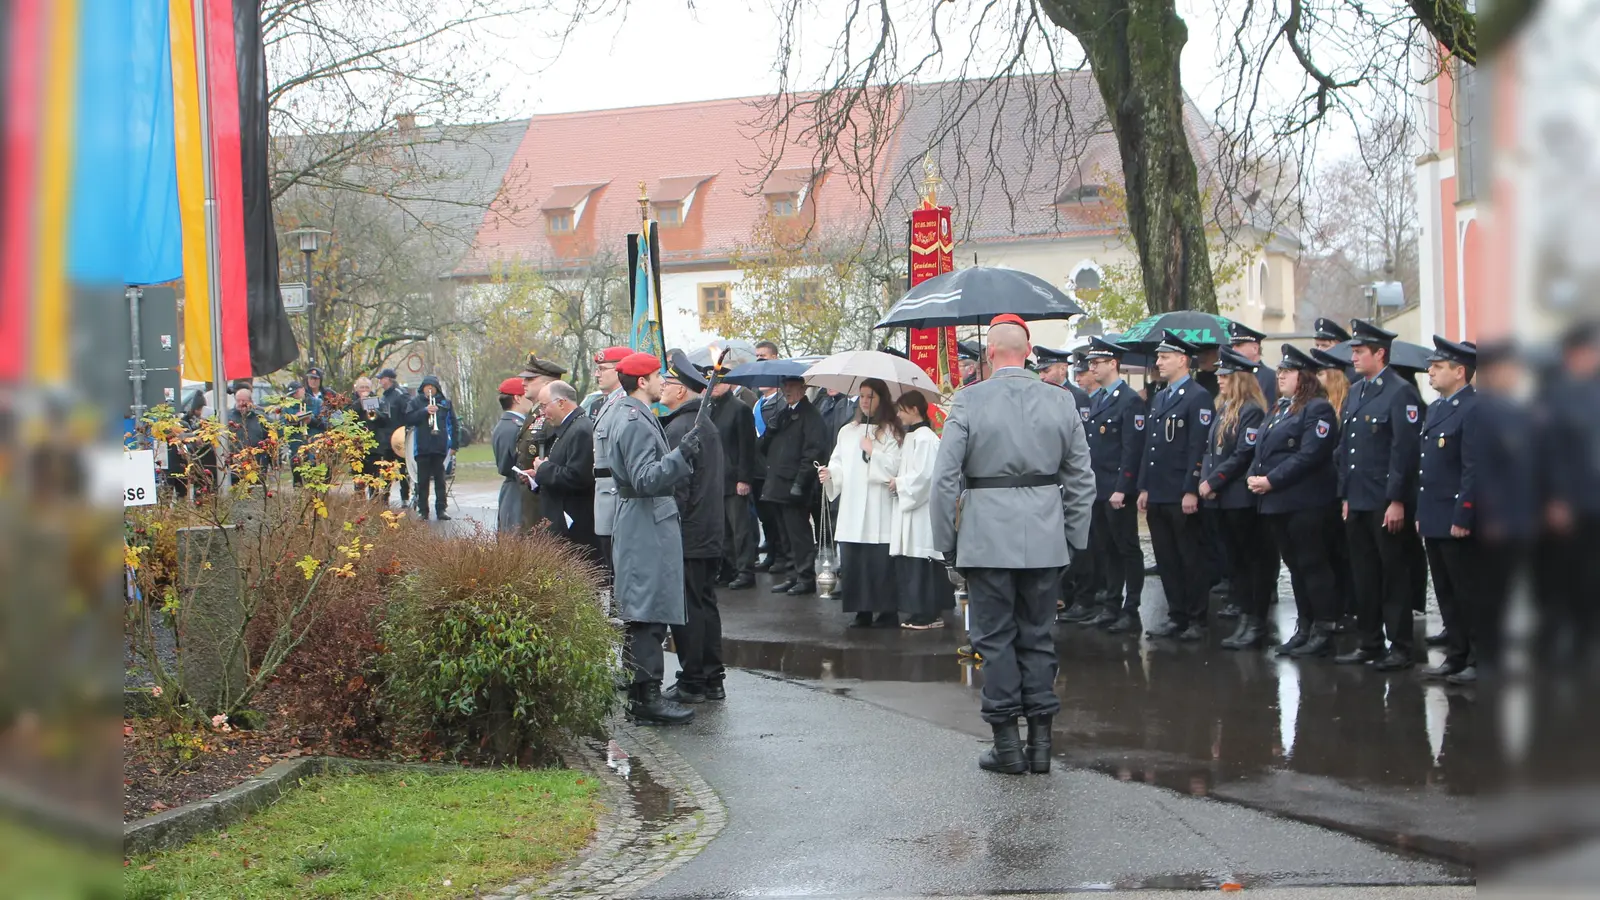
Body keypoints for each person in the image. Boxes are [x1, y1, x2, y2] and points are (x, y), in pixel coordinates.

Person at [930, 317, 1095, 775]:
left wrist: (947, 543)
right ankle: (1040, 745)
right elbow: (1081, 478)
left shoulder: (968, 400)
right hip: (1044, 535)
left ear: (990, 355)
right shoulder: (1061, 401)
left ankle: (1007, 746)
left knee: (995, 639)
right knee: (1038, 637)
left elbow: (944, 480)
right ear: (1027, 352)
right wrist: (1073, 539)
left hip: (985, 537)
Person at [607, 351, 710, 726]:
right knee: (647, 611)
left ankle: (642, 693)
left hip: (645, 520)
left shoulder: (631, 413)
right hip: (645, 521)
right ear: (641, 382)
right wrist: (681, 456)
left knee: (645, 608)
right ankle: (647, 697)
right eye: (656, 376)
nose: (662, 382)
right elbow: (645, 479)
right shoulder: (633, 420)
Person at [1335, 319, 1423, 672]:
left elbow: (1404, 451)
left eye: (1359, 351)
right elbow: (1347, 448)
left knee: (1393, 575)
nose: (1353, 357)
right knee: (1364, 575)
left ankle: (1400, 646)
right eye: (1353, 351)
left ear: (1380, 354)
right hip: (1357, 500)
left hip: (1385, 502)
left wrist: (1397, 499)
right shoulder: (1356, 390)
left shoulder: (1400, 392)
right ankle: (1369, 641)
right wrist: (1344, 495)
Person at [1249, 345, 1341, 657]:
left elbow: (1310, 454)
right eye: (1280, 372)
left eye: (1288, 372)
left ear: (1305, 377)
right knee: (1296, 566)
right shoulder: (1279, 409)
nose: (1281, 376)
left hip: (1306, 502)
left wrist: (1271, 480)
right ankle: (1305, 626)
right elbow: (1261, 450)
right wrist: (1254, 475)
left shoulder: (1317, 408)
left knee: (1313, 564)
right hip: (1279, 503)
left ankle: (1324, 628)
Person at [658, 352, 727, 703]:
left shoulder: (680, 428)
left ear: (682, 391)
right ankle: (712, 677)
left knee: (688, 610)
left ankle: (694, 680)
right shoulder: (702, 425)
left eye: (667, 382)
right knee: (704, 604)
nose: (662, 386)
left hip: (688, 533)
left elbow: (676, 487)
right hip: (708, 531)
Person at [1138, 331, 1215, 641]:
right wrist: (1144, 487)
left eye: (1165, 357)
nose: (1159, 362)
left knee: (1190, 557)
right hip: (1158, 491)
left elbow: (1199, 447)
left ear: (1183, 360)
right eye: (1159, 357)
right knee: (1167, 557)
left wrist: (1191, 489)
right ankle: (1177, 613)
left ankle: (1197, 617)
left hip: (1181, 492)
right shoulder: (1161, 396)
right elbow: (1150, 446)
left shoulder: (1197, 397)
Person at [1416, 337, 1482, 684]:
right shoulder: (1438, 408)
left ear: (1460, 372)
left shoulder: (1473, 409)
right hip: (1434, 515)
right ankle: (1456, 655)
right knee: (1445, 591)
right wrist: (1421, 512)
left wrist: (1463, 514)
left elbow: (1473, 469)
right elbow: (1429, 467)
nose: (1430, 372)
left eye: (1438, 367)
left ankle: (1478, 657)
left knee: (1467, 591)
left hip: (1457, 517)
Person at [1199, 348, 1272, 649]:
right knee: (1236, 562)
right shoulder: (1224, 408)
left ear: (1239, 378)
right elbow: (1211, 450)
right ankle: (1245, 616)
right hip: (1223, 497)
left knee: (1250, 560)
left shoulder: (1251, 410)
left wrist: (1215, 480)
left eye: (1225, 375)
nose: (1219, 378)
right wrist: (1206, 479)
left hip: (1240, 497)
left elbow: (1244, 454)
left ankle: (1255, 620)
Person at [819, 378, 903, 627]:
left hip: (880, 505)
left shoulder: (892, 431)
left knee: (880, 561)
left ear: (882, 399)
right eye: (862, 396)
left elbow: (896, 467)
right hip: (853, 504)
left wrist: (873, 451)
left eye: (871, 396)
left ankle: (888, 611)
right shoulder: (848, 430)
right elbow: (839, 461)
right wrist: (830, 473)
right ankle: (862, 610)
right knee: (856, 560)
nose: (865, 401)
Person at [1080, 336, 1147, 634]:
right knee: (1105, 548)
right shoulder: (1098, 398)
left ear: (1113, 364)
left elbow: (1132, 449)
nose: (1092, 367)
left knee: (1126, 548)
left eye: (1097, 363)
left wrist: (1124, 487)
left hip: (1117, 488)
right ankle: (1111, 604)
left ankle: (1130, 609)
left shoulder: (1129, 400)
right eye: (1090, 363)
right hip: (1098, 488)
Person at [1035, 346, 1099, 623]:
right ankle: (1061, 596)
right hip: (1049, 481)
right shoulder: (1039, 397)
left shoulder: (1076, 398)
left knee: (1079, 543)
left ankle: (1083, 599)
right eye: (1040, 371)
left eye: (1047, 370)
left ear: (1063, 368)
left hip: (1071, 478)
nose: (1043, 376)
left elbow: (1081, 443)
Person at [889, 391, 953, 629]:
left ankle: (930, 613)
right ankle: (918, 610)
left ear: (914, 409)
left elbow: (926, 476)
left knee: (923, 559)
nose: (898, 414)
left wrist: (901, 484)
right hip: (911, 507)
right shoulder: (912, 437)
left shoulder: (925, 438)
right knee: (912, 560)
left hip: (922, 509)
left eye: (901, 409)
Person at [759, 376, 827, 595]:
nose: (786, 390)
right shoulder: (784, 414)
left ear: (803, 388)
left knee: (799, 534)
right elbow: (762, 448)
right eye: (784, 386)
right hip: (777, 484)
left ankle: (805, 577)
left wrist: (800, 482)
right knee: (785, 534)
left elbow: (813, 452)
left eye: (791, 386)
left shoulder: (811, 416)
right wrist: (769, 430)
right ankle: (792, 575)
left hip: (795, 485)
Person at [531, 381, 598, 556]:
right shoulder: (568, 428)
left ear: (561, 402)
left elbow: (578, 477)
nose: (542, 413)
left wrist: (544, 469)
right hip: (562, 521)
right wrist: (537, 475)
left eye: (544, 406)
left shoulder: (581, 429)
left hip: (575, 525)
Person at [589, 346, 635, 579]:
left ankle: (623, 610)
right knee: (609, 560)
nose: (597, 374)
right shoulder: (605, 403)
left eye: (603, 369)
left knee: (618, 561)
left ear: (619, 372)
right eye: (597, 369)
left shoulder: (624, 404)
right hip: (604, 490)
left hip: (616, 491)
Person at [709, 377, 759, 589]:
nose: (714, 386)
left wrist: (744, 478)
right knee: (724, 530)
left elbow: (747, 447)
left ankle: (745, 571)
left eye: (718, 382)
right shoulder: (710, 409)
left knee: (740, 529)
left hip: (735, 478)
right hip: (717, 479)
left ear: (728, 384)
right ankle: (728, 569)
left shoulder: (740, 409)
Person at [405, 374, 457, 520]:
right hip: (422, 447)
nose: (430, 390)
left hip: (439, 446)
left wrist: (454, 444)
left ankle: (441, 509)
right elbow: (408, 419)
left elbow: (453, 423)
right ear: (423, 388)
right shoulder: (415, 402)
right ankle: (423, 510)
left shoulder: (445, 403)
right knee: (423, 481)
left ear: (437, 389)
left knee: (440, 480)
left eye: (432, 387)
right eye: (427, 387)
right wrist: (424, 411)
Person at [491, 377, 532, 534]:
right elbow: (510, 464)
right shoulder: (513, 427)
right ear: (517, 398)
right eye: (526, 396)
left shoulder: (509, 424)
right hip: (516, 490)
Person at [373, 368, 411, 508]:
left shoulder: (400, 395)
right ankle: (385, 497)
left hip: (400, 438)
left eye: (381, 378)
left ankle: (405, 498)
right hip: (387, 440)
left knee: (403, 470)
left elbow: (408, 414)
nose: (380, 381)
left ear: (388, 379)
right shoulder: (383, 397)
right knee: (387, 470)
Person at [1227, 321, 1278, 406]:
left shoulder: (1270, 378)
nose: (1233, 350)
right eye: (1232, 345)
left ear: (1255, 348)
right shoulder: (1232, 376)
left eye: (1239, 345)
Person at [1311, 318, 1359, 383]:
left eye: (1325, 345)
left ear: (1340, 346)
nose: (1319, 349)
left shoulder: (1353, 374)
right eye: (1317, 345)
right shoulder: (1314, 372)